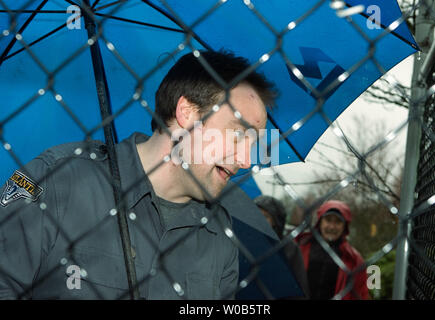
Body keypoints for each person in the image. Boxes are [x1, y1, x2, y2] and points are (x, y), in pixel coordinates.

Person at [0, 50, 277, 299]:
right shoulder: (58, 179)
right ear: (188, 113)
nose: (245, 160)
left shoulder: (220, 237)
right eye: (238, 135)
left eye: (254, 144)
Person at [295, 200, 369, 300]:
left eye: (338, 222)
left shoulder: (354, 260)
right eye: (328, 220)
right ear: (320, 222)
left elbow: (361, 293)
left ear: (344, 226)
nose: (332, 226)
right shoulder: (299, 247)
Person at [254, 195, 310, 299]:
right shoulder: (243, 242)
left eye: (265, 216)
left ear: (275, 221)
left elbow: (299, 286)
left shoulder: (289, 248)